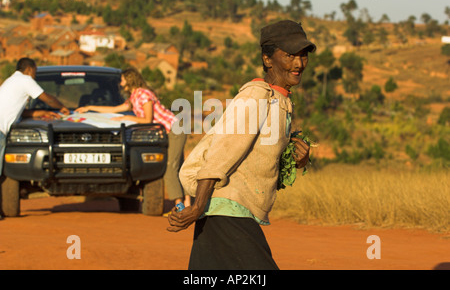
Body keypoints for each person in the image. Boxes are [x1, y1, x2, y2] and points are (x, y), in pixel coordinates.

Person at [167, 20, 316, 270]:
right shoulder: (256, 96)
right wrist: (198, 207)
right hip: (227, 211)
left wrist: (295, 157)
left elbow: (259, 155)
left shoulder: (279, 99)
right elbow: (220, 154)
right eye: (289, 55)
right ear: (268, 59)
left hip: (229, 211)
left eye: (302, 56)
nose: (299, 63)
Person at [75, 67, 190, 209]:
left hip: (174, 130)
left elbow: (147, 120)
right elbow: (114, 109)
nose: (121, 83)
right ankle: (188, 202)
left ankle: (180, 204)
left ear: (130, 79)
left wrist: (128, 117)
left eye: (123, 80)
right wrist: (89, 108)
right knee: (178, 167)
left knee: (170, 168)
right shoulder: (134, 97)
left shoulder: (143, 95)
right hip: (169, 131)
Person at [0, 58, 69, 219]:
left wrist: (41, 113)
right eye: (35, 72)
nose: (35, 76)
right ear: (30, 70)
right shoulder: (25, 80)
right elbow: (47, 98)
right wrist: (62, 108)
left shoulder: (11, 82)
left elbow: (18, 112)